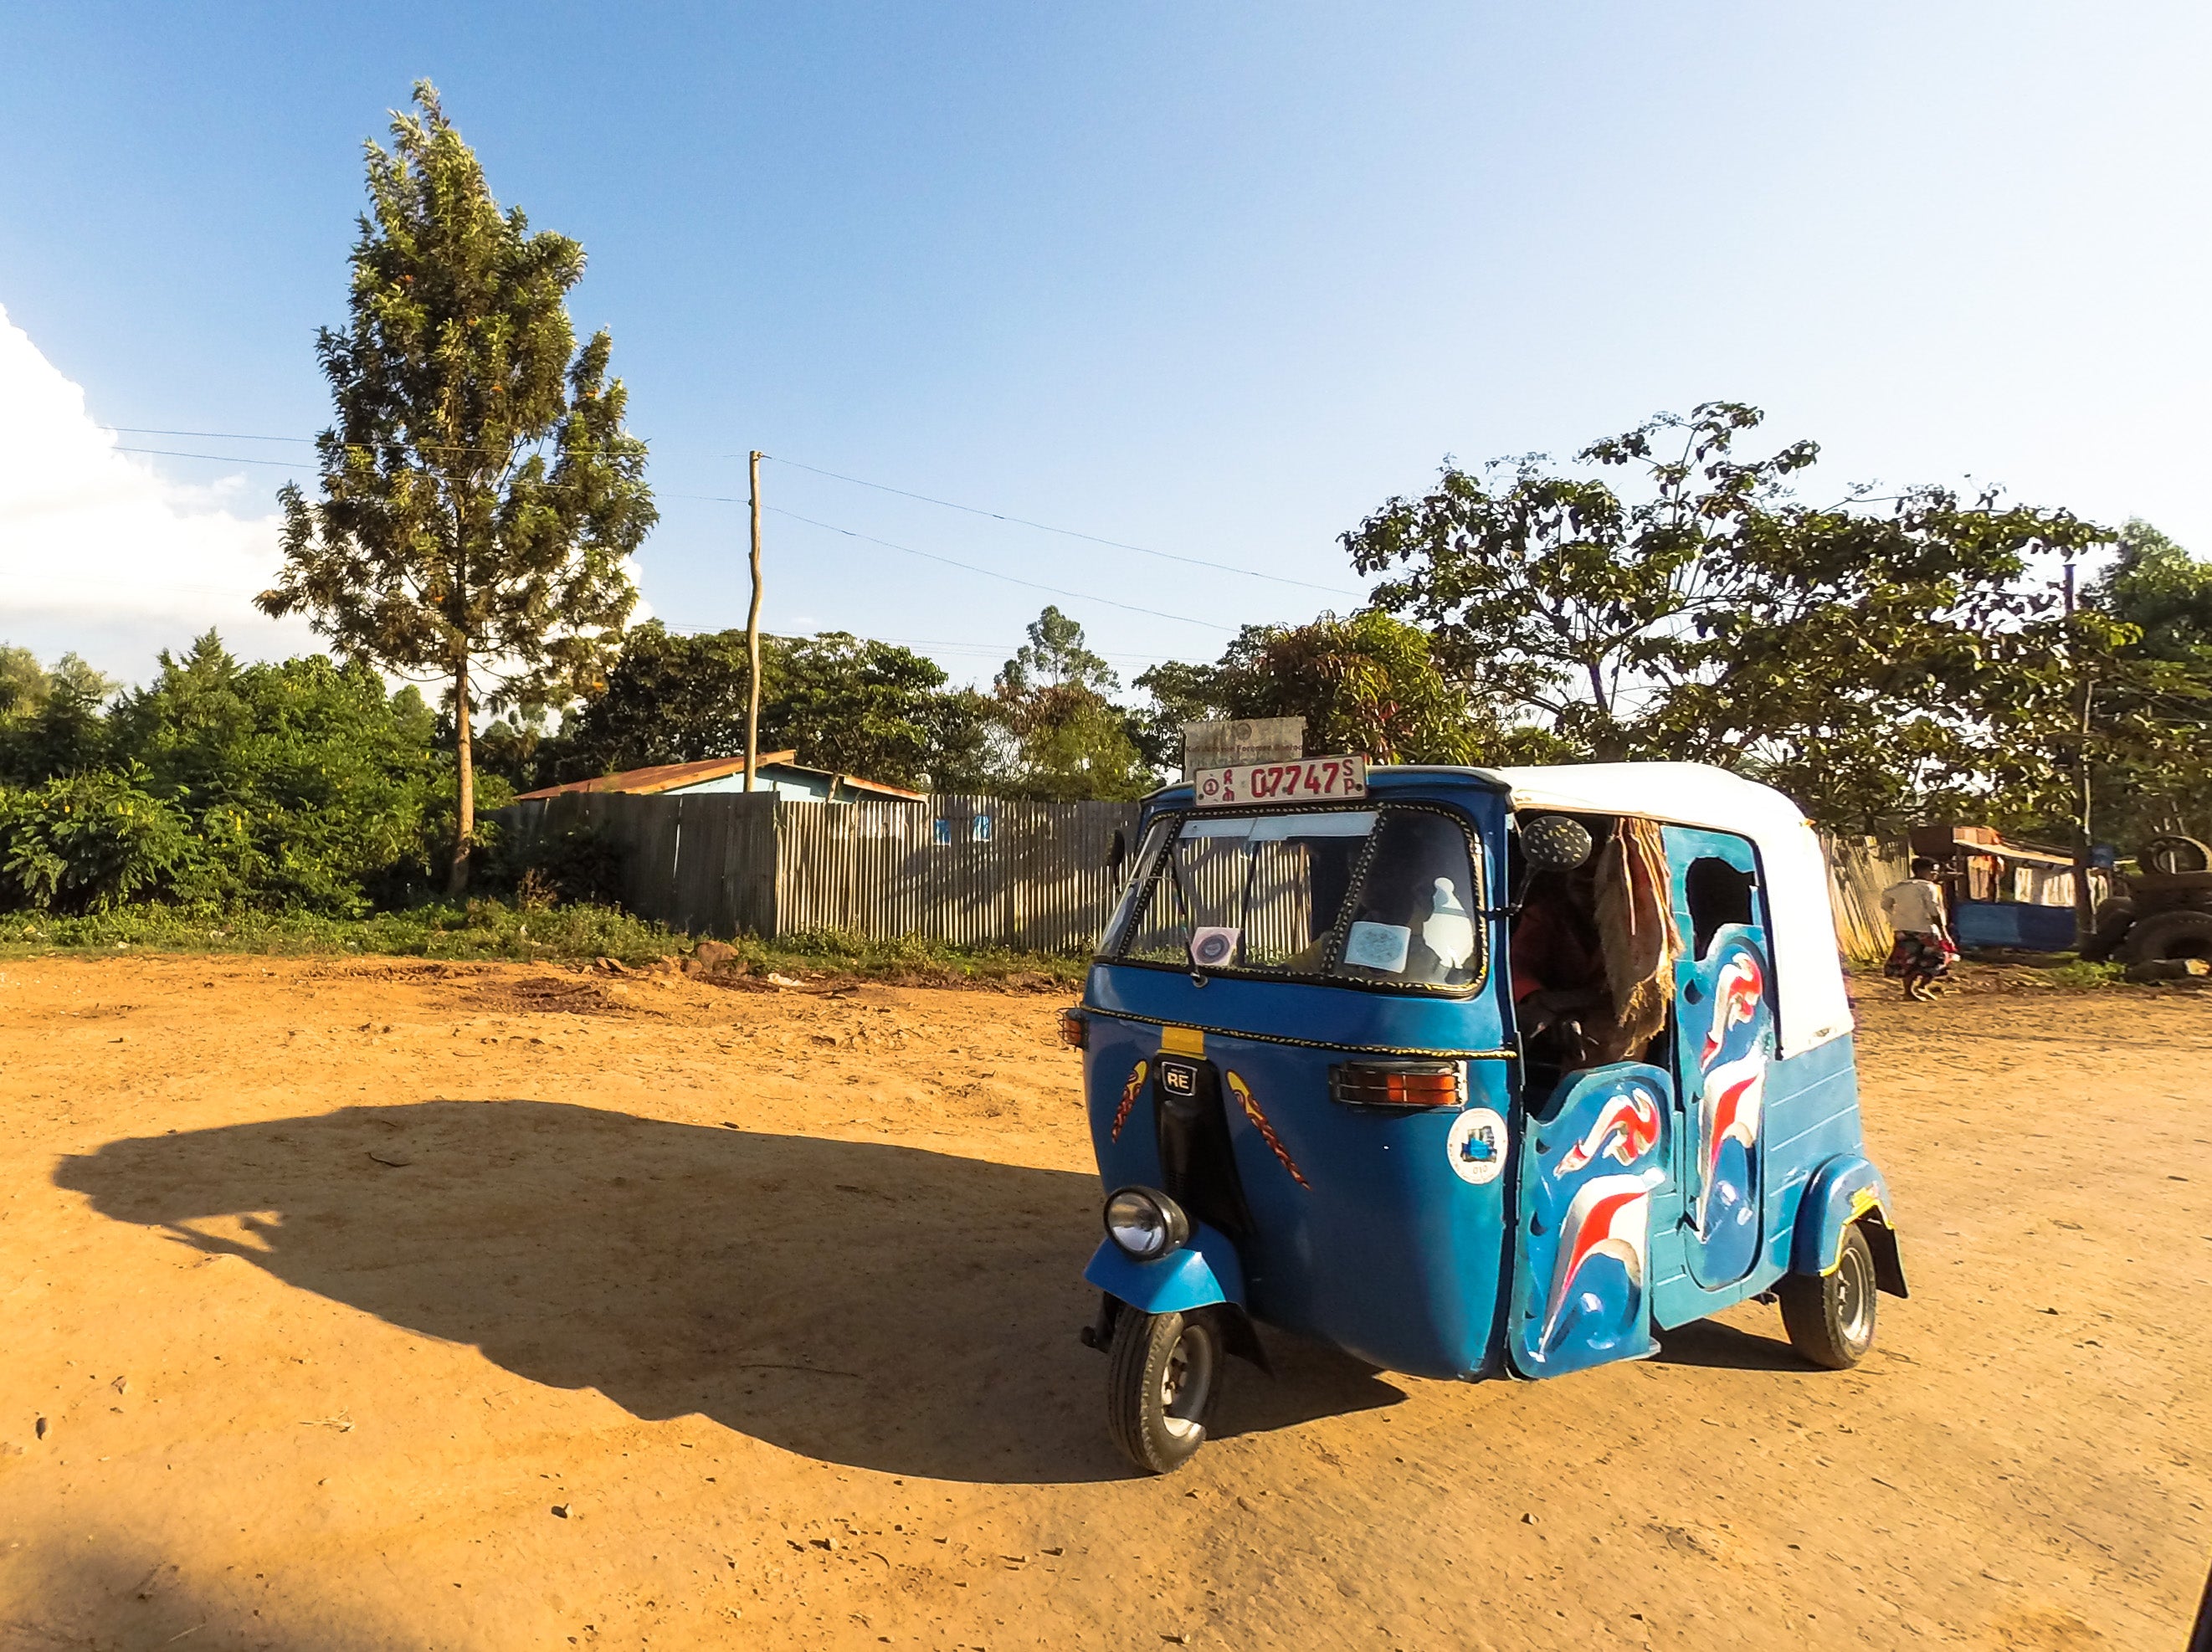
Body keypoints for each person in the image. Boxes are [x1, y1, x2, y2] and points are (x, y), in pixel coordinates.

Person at [1881, 857, 1956, 998]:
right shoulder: (1928, 887)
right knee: (1940, 957)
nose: (1936, 875)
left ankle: (1908, 991)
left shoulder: (1898, 887)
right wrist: (1944, 932)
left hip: (1903, 928)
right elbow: (1934, 910)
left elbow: (1885, 905)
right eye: (1934, 871)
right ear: (1924, 871)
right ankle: (1922, 986)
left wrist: (1899, 916)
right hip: (1926, 929)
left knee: (1909, 960)